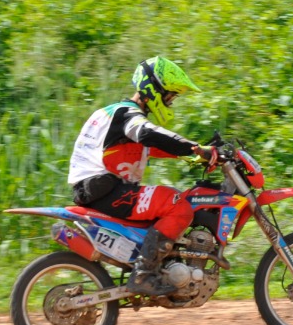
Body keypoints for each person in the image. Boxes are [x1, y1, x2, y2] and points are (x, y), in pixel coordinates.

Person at [68, 56, 213, 296]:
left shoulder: (117, 116)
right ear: (153, 90)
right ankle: (144, 274)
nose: (170, 103)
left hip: (98, 188)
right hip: (104, 189)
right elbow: (148, 133)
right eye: (169, 96)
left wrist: (199, 153)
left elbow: (158, 145)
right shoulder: (128, 115)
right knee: (178, 206)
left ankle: (156, 266)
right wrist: (195, 148)